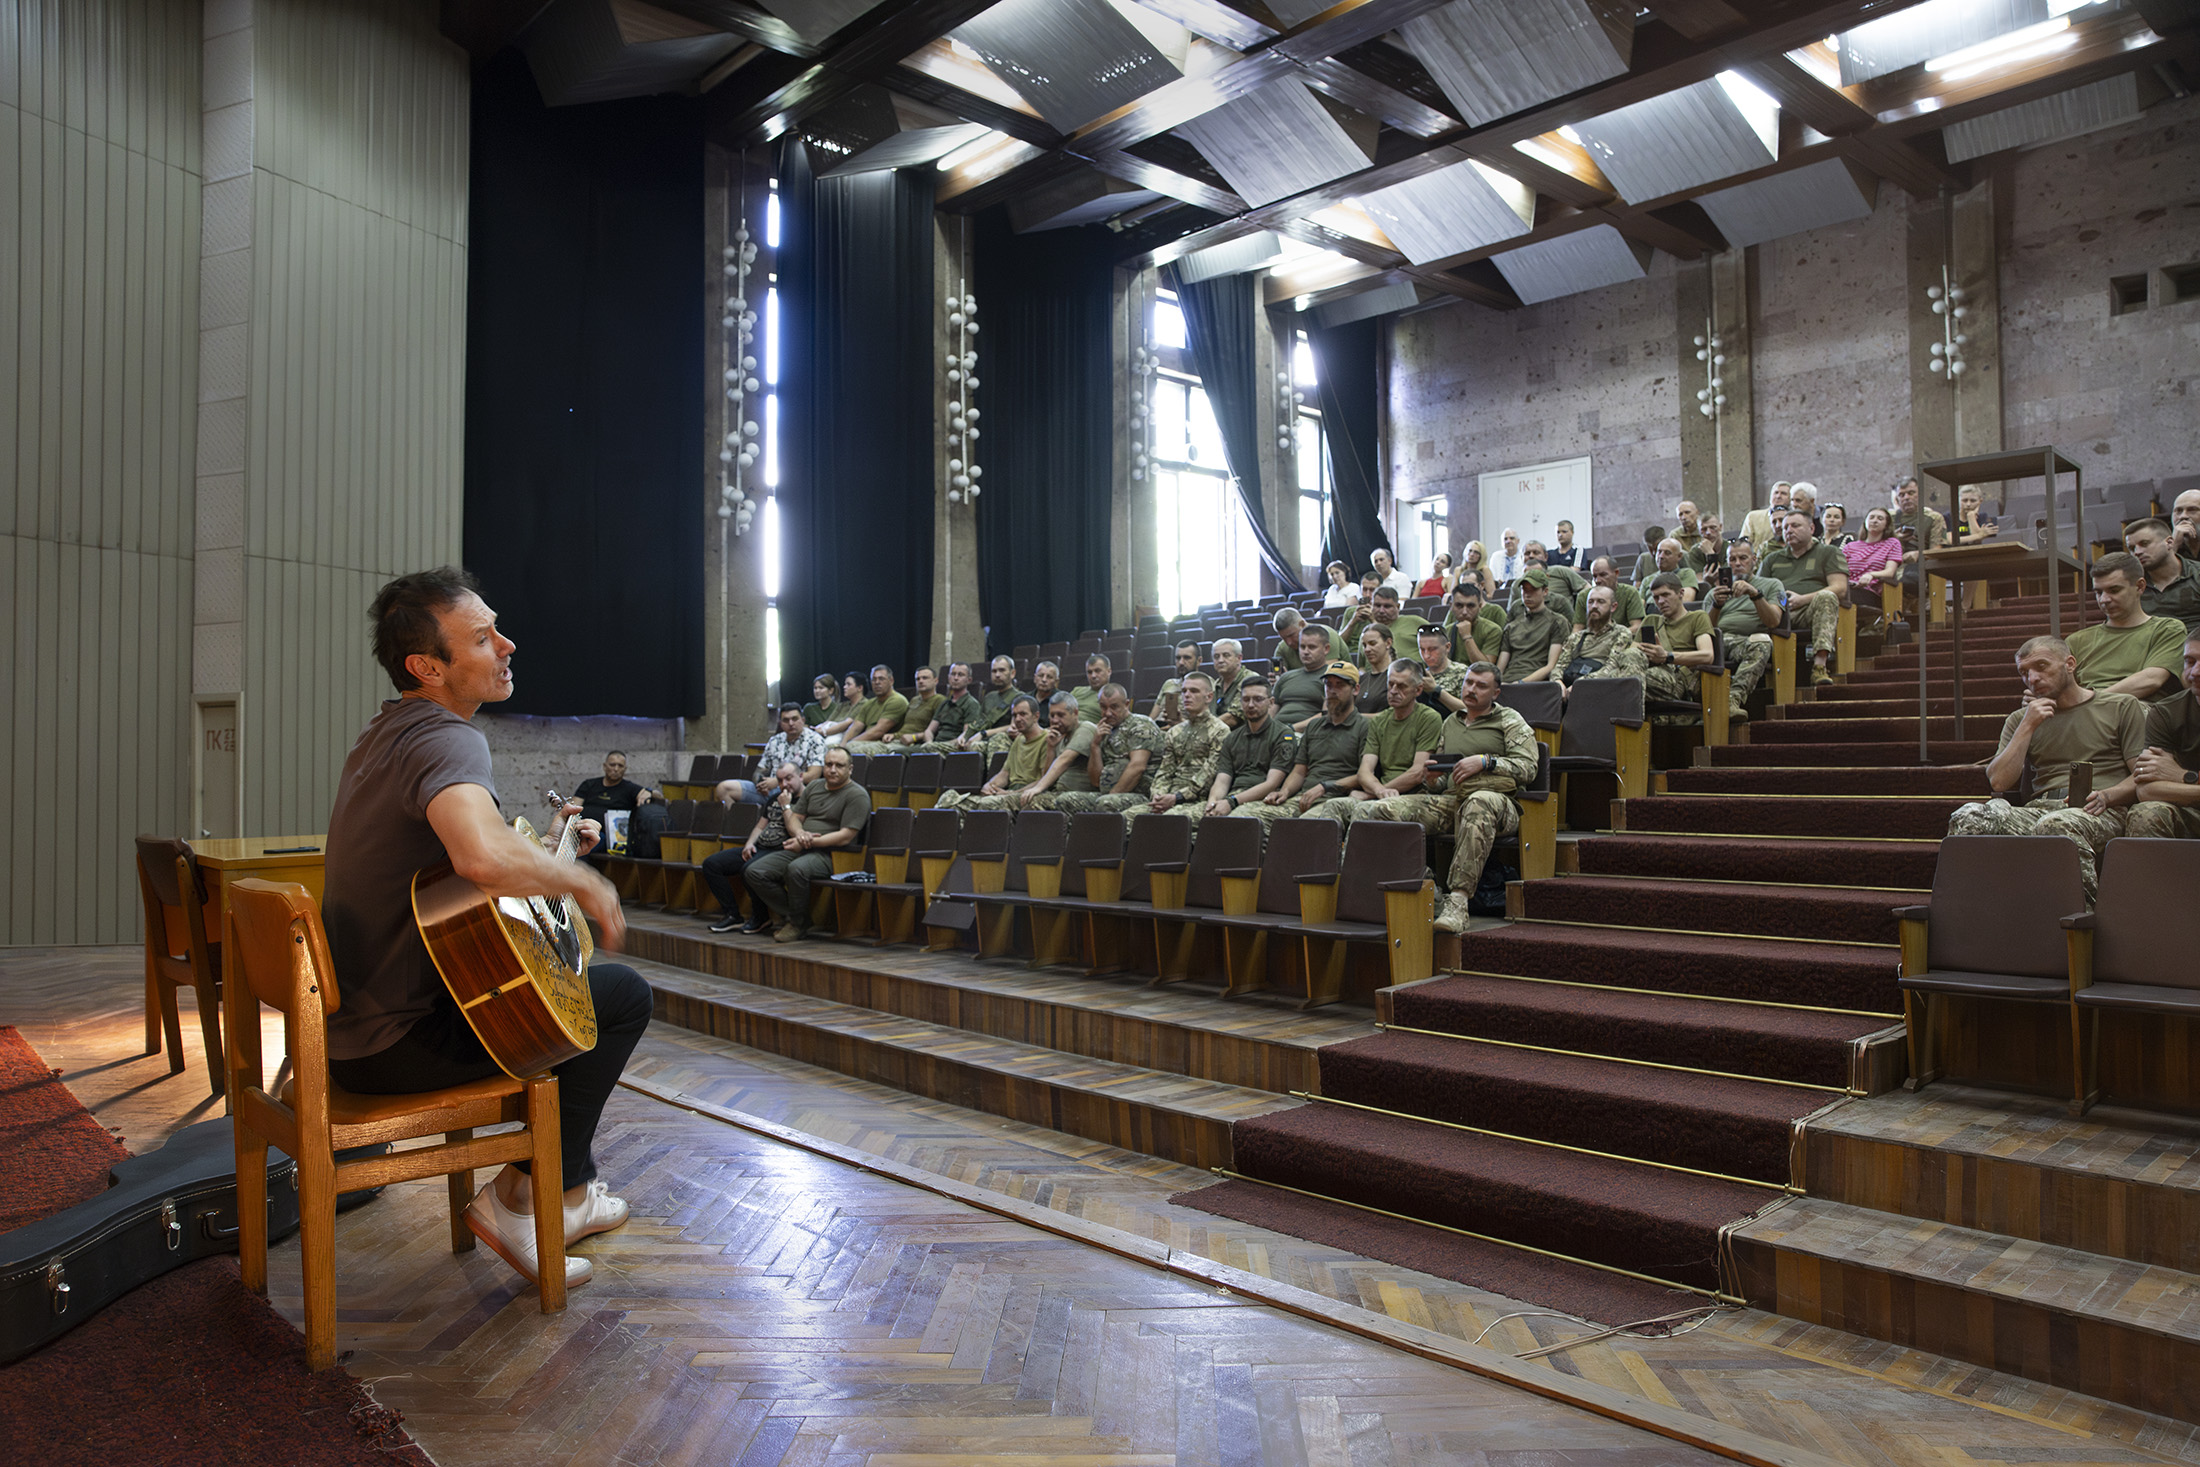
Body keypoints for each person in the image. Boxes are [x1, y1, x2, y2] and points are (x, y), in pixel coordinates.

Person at [322, 567, 646, 1291]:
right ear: (427, 667)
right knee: (617, 995)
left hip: (351, 1032)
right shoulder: (448, 739)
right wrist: (584, 882)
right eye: (481, 637)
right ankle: (517, 1200)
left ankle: (568, 1191)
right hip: (400, 1043)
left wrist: (554, 849)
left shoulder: (384, 735)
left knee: (571, 990)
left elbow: (474, 859)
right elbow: (478, 855)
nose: (507, 643)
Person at [1945, 635, 2147, 905]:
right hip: (2040, 808)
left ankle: (2083, 923)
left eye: (2041, 666)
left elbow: (2144, 775)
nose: (2033, 678)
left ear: (2070, 664)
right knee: (1968, 815)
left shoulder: (2120, 707)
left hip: (2101, 809)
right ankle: (1972, 915)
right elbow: (1999, 782)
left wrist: (2108, 795)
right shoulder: (2021, 720)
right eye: (2024, 672)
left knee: (2056, 825)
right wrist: (2028, 725)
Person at [743, 746, 871, 941]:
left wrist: (808, 841)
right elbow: (795, 818)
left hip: (834, 854)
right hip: (803, 845)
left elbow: (846, 836)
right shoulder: (814, 787)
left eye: (839, 765)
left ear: (850, 769)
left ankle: (796, 924)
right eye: (828, 764)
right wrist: (800, 833)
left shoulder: (857, 795)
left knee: (797, 869)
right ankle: (799, 917)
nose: (832, 769)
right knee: (755, 871)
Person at [1306, 659, 1442, 826]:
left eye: (1401, 686)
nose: (1393, 691)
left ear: (1418, 689)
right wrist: (1379, 790)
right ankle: (1334, 853)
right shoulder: (1380, 720)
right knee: (1334, 805)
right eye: (1390, 684)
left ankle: (1355, 853)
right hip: (1381, 792)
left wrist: (1374, 794)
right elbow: (1364, 772)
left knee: (1366, 809)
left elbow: (1417, 772)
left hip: (1416, 794)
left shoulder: (1428, 718)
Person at [1234, 661, 1367, 830]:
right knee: (1243, 817)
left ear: (1355, 689)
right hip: (1304, 797)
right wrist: (1285, 791)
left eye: (1339, 685)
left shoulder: (1364, 726)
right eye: (1328, 684)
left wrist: (1324, 787)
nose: (1332, 691)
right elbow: (1299, 771)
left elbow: (1365, 775)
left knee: (1304, 827)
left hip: (1336, 798)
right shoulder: (1314, 726)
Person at [2068, 552, 2185, 701]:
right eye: (2098, 592)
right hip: (2086, 714)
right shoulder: (2077, 640)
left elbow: (2151, 680)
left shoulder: (2167, 629)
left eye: (2114, 590)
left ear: (2140, 586)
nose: (2104, 600)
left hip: (2138, 710)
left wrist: (2090, 701)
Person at [703, 760, 801, 935]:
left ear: (800, 776)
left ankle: (761, 917)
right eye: (779, 781)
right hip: (761, 847)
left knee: (748, 868)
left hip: (781, 851)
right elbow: (760, 827)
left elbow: (796, 830)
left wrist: (786, 805)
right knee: (712, 864)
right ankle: (733, 915)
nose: (784, 784)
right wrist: (749, 844)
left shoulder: (805, 800)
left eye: (788, 779)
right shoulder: (774, 798)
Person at [1119, 672, 1228, 830]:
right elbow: (1164, 770)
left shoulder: (1220, 731)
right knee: (1124, 819)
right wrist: (1158, 795)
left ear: (1209, 697)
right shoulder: (1174, 732)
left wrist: (1176, 798)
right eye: (1184, 691)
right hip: (1168, 798)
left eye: (1194, 691)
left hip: (1198, 800)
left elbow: (1209, 775)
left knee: (1168, 821)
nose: (1187, 696)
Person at [2124, 629, 2200, 840]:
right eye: (2190, 661)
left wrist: (2182, 776)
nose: (2195, 672)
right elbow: (2147, 790)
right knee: (2146, 813)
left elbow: (2170, 781)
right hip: (2191, 811)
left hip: (2186, 795)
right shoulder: (2167, 711)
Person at [1760, 510, 1848, 686]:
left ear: (1811, 528)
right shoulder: (1772, 559)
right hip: (1778, 614)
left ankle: (1819, 667)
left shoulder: (1828, 552)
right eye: (1785, 527)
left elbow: (1840, 588)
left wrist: (1803, 599)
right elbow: (1759, 590)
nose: (1788, 530)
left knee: (1827, 596)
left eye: (1795, 525)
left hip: (1812, 611)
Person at [1046, 683, 1164, 813]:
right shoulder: (1103, 731)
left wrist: (1112, 795)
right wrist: (1095, 745)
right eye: (1103, 707)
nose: (1108, 713)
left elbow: (1138, 766)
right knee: (1065, 800)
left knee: (1105, 803)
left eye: (1114, 707)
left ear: (1126, 704)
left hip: (1140, 795)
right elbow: (1096, 781)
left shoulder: (1141, 724)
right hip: (1108, 796)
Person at [1195, 678, 1296, 827]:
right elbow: (1222, 780)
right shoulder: (1232, 737)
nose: (1250, 705)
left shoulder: (1283, 734)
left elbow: (1272, 783)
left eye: (1258, 699)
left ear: (1271, 702)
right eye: (1246, 699)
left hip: (1262, 799)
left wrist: (1232, 802)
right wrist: (1213, 803)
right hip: (1232, 797)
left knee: (1231, 822)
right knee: (1178, 819)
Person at [1704, 537, 1783, 722]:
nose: (1737, 563)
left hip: (1748, 641)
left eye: (1743, 558)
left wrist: (1754, 594)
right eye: (1732, 559)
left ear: (1754, 560)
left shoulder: (1772, 584)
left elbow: (1774, 621)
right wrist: (1716, 605)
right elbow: (1706, 631)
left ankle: (1732, 700)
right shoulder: (1713, 592)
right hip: (1718, 643)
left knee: (1762, 642)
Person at [940, 694, 1049, 809]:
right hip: (1008, 793)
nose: (1017, 719)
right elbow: (1005, 773)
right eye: (1014, 715)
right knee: (950, 800)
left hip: (1027, 794)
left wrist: (1011, 793)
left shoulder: (1046, 739)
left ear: (1036, 716)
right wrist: (990, 786)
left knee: (988, 804)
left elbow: (1044, 781)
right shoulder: (1019, 740)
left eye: (1023, 714)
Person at [1639, 573, 1716, 715]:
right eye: (1656, 597)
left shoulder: (1697, 617)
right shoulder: (1651, 620)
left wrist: (1667, 656)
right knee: (1616, 681)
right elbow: (1632, 652)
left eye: (1665, 595)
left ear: (1681, 593)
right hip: (1650, 675)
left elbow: (1707, 655)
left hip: (1678, 680)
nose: (1660, 601)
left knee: (1630, 682)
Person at [1007, 693, 1098, 810]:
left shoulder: (1085, 728)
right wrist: (1051, 748)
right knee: (1015, 802)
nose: (1055, 720)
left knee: (1031, 803)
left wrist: (1037, 788)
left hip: (1080, 795)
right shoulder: (1059, 736)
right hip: (1059, 793)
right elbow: (1046, 776)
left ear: (1075, 713)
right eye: (1052, 715)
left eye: (1060, 715)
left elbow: (1065, 759)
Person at [719, 704, 825, 804]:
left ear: (803, 720)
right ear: (780, 723)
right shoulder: (775, 740)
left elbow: (813, 775)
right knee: (724, 788)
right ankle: (735, 822)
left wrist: (778, 781)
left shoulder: (815, 740)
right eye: (786, 720)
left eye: (795, 719)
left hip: (796, 792)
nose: (791, 723)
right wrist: (761, 784)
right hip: (770, 791)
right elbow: (759, 771)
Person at [1554, 584, 1649, 694]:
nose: (1594, 606)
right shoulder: (1576, 637)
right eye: (1591, 602)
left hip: (1601, 687)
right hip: (1570, 686)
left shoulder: (1621, 633)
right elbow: (1560, 666)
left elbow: (1611, 667)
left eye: (1601, 602)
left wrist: (1581, 684)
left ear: (1613, 607)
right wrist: (1558, 682)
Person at [2125, 518, 2200, 633]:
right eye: (2132, 548)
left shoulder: (2197, 573)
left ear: (2169, 543)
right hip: (2151, 647)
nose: (2137, 552)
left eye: (2144, 544)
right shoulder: (2130, 585)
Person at [1497, 568, 1570, 683]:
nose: (1527, 595)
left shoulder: (1557, 622)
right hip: (1507, 682)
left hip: (1536, 685)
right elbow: (1500, 669)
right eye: (1524, 590)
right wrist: (1497, 684)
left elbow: (1551, 666)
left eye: (1533, 590)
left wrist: (1521, 683)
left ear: (1545, 591)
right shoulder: (1511, 627)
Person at [573, 750, 654, 837]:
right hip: (583, 829)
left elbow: (658, 795)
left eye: (620, 766)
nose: (616, 769)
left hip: (610, 836)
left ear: (625, 769)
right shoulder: (589, 784)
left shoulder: (630, 788)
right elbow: (574, 809)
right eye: (612, 765)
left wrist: (649, 791)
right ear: (605, 766)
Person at [1340, 587, 1427, 665]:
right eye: (1377, 605)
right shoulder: (1367, 633)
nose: (1381, 610)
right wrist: (1352, 622)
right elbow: (1362, 666)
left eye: (1387, 606)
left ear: (1398, 607)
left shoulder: (1414, 622)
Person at [1842, 506, 1906, 611]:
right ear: (1865, 522)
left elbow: (1890, 572)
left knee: (1839, 595)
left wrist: (1871, 575)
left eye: (1880, 519)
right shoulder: (1850, 546)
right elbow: (1841, 570)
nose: (1875, 521)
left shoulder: (1892, 543)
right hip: (1848, 587)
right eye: (1871, 517)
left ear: (1886, 525)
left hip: (1871, 592)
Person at [913, 662, 986, 751]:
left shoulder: (971, 704)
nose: (955, 678)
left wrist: (935, 745)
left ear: (969, 680)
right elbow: (929, 730)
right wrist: (929, 742)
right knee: (898, 751)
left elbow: (966, 734)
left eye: (960, 675)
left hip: (954, 745)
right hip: (934, 745)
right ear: (948, 677)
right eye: (953, 674)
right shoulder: (944, 703)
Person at [1272, 624, 1332, 729]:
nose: (1306, 652)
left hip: (1305, 733)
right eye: (1302, 647)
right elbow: (1271, 710)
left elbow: (1327, 716)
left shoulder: (1331, 677)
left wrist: (1291, 729)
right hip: (1277, 732)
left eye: (1312, 647)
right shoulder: (1286, 677)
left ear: (1326, 649)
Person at [1507, 541, 1583, 620]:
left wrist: (1579, 618)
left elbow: (1585, 590)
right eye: (1527, 553)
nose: (1531, 556)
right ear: (1521, 557)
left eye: (1536, 553)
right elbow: (1512, 613)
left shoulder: (1562, 571)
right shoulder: (1517, 584)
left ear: (1546, 556)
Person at [843, 665, 910, 749]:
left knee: (851, 749)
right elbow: (855, 727)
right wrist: (842, 746)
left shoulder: (897, 700)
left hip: (887, 744)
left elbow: (878, 731)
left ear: (891, 681)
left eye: (881, 679)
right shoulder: (869, 703)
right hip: (866, 743)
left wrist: (849, 744)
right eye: (874, 679)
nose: (877, 682)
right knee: (830, 748)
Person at [1574, 557, 1645, 632]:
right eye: (1594, 576)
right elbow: (1577, 628)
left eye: (1603, 575)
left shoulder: (1629, 593)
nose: (1597, 581)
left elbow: (1637, 626)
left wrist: (1609, 637)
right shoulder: (1584, 596)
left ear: (1616, 573)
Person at [1443, 582, 1506, 665]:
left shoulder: (1492, 630)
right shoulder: (1446, 632)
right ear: (1451, 606)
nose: (1464, 612)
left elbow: (1486, 667)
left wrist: (1467, 637)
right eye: (1459, 606)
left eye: (1470, 606)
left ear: (1479, 607)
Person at [1416, 623, 1469, 712]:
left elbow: (1470, 710)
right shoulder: (1419, 675)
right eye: (1422, 649)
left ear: (1447, 647)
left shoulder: (1463, 672)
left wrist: (1436, 690)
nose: (1426, 655)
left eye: (1432, 649)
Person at [974, 656, 1021, 740]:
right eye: (994, 671)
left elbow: (1015, 727)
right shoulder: (989, 697)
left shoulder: (1020, 698)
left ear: (1012, 673)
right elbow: (977, 723)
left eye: (1002, 670)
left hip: (1003, 740)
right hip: (982, 740)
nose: (997, 675)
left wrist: (984, 733)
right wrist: (963, 737)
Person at [1154, 642, 1201, 726]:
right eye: (1178, 658)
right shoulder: (1169, 684)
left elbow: (1207, 724)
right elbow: (1152, 717)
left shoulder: (1207, 685)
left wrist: (1180, 723)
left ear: (1199, 661)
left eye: (1187, 658)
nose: (1181, 662)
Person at [814, 672, 866, 743]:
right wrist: (816, 730)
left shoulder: (864, 704)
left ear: (859, 688)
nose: (844, 687)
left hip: (844, 738)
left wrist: (823, 732)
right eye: (845, 684)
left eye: (848, 684)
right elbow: (828, 721)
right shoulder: (842, 705)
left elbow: (847, 723)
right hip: (829, 733)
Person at [1355, 624, 1397, 711]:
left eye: (1372, 643)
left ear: (1388, 643)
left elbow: (1394, 715)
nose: (1367, 649)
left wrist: (1356, 718)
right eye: (1364, 645)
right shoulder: (1361, 680)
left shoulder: (1398, 676)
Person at [1208, 639, 1249, 727]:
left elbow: (1233, 718)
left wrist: (1204, 728)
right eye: (1216, 656)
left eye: (1226, 655)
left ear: (1239, 658)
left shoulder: (1250, 680)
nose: (1220, 660)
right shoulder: (1215, 685)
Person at [1073, 654, 1112, 723]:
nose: (1093, 676)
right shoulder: (1077, 690)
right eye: (1089, 672)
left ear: (1109, 671)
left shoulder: (1113, 694)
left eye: (1097, 671)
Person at [2174, 488, 2200, 559]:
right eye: (2178, 510)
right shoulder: (2161, 544)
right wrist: (2174, 545)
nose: (2183, 516)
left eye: (2192, 510)